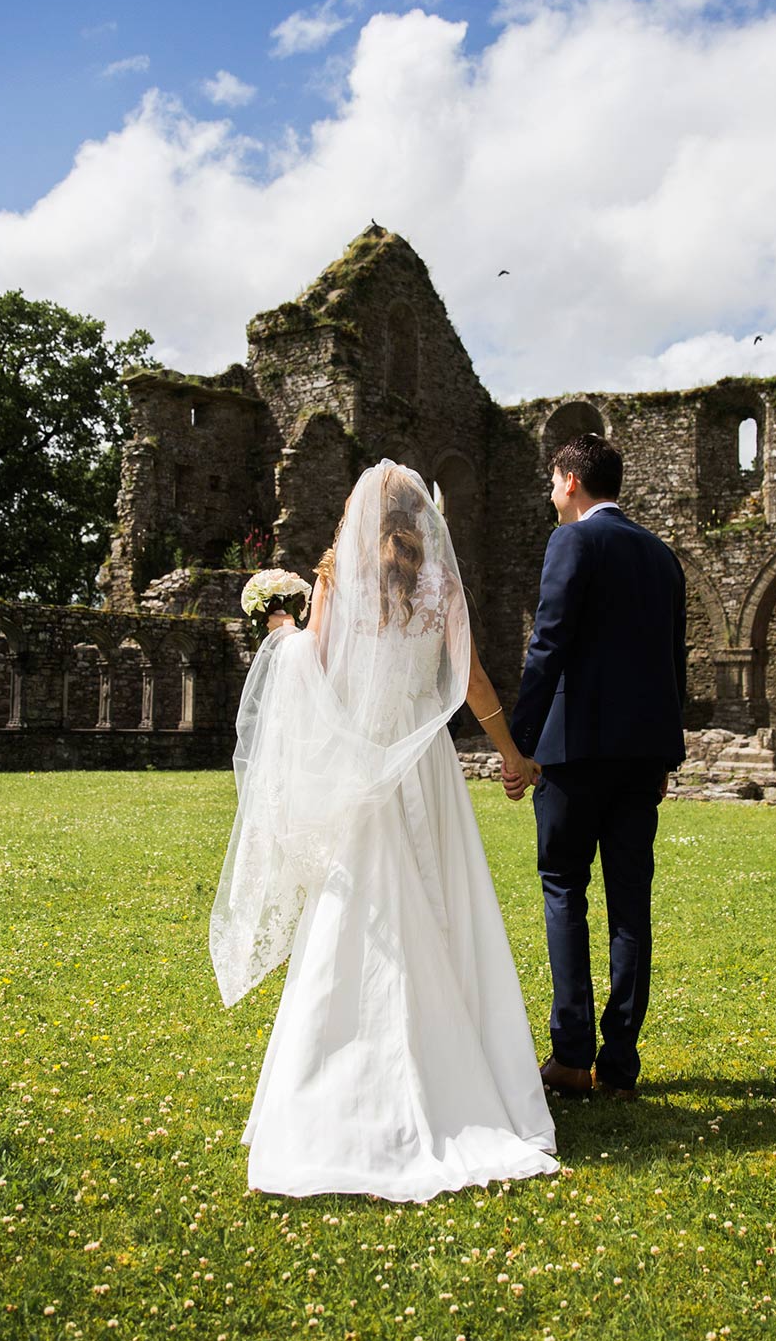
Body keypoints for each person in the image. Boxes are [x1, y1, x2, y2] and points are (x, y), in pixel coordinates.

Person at [212, 460, 556, 1201]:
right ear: (422, 516)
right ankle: (463, 1074)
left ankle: (333, 1097)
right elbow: (471, 678)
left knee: (360, 917)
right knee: (442, 911)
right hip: (424, 762)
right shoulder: (440, 580)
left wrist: (285, 636)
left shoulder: (338, 577)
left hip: (369, 756)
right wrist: (511, 754)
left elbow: (327, 669)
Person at [507, 433, 686, 1103]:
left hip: (573, 751)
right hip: (642, 757)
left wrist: (519, 744)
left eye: (554, 482)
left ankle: (572, 1055)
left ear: (573, 481)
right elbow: (675, 663)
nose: (552, 494)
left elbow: (546, 644)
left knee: (563, 887)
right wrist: (667, 751)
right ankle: (620, 1065)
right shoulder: (663, 557)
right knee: (630, 904)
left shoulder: (572, 542)